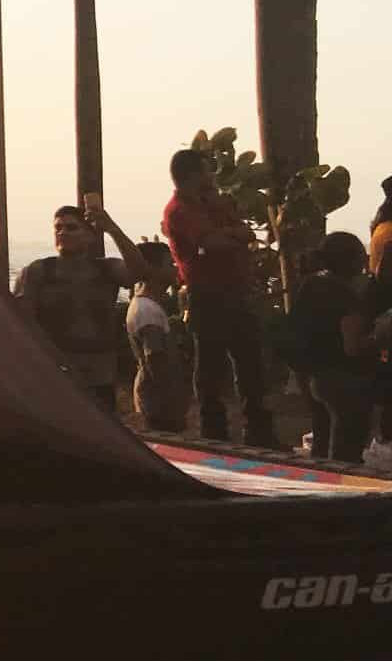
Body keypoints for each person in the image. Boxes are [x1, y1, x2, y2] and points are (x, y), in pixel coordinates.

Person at [161, 148, 277, 447]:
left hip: (236, 292)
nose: (212, 175)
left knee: (250, 365)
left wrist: (230, 234)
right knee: (211, 369)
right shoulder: (178, 210)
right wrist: (231, 235)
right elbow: (212, 242)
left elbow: (243, 234)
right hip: (207, 295)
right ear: (193, 175)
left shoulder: (213, 203)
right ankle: (214, 434)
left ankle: (259, 433)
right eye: (206, 170)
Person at [14, 204, 142, 410]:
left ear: (90, 236)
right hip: (53, 376)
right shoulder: (37, 272)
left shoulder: (106, 269)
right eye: (58, 228)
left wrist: (112, 229)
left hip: (99, 376)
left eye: (71, 228)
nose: (62, 233)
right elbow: (20, 323)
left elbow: (138, 272)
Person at [288, 232, 378, 463]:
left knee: (322, 438)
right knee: (345, 450)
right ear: (352, 261)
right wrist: (381, 334)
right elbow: (352, 347)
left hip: (311, 373)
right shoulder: (345, 296)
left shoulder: (311, 284)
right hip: (341, 378)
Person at [125, 242, 189, 430]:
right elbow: (156, 361)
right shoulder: (147, 311)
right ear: (152, 269)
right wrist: (173, 401)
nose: (175, 268)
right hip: (159, 406)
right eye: (169, 264)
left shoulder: (147, 306)